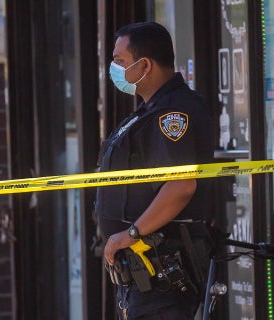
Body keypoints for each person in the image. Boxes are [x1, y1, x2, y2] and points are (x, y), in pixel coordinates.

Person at [95, 21, 214, 319]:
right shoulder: (148, 110)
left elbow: (181, 185)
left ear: (144, 65)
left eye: (120, 61)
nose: (114, 68)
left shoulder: (172, 113)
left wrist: (132, 233)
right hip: (142, 269)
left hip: (161, 266)